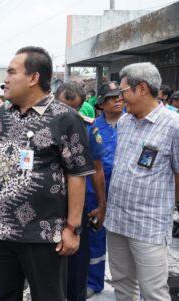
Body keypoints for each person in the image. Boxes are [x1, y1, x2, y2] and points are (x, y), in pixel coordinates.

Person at [0, 46, 95, 301]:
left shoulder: (65, 118)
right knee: (6, 294)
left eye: (11, 72)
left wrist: (73, 228)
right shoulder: (4, 113)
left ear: (33, 78)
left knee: (48, 296)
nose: (5, 80)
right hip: (2, 228)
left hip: (43, 232)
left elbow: (77, 174)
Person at [105, 62, 179, 301]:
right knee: (123, 285)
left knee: (153, 291)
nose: (121, 98)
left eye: (124, 91)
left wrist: (166, 207)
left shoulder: (173, 126)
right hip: (117, 221)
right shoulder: (125, 122)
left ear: (142, 88)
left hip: (149, 225)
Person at [55, 82, 107, 301]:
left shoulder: (86, 128)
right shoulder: (35, 125)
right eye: (63, 107)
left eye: (73, 109)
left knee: (76, 264)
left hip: (76, 205)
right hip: (46, 206)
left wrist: (102, 204)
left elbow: (96, 169)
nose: (68, 114)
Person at [83, 81, 123, 298]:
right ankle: (94, 282)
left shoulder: (132, 123)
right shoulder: (93, 127)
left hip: (124, 195)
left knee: (127, 244)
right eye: (111, 97)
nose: (118, 100)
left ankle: (129, 287)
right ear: (101, 103)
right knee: (95, 240)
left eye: (119, 96)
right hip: (96, 194)